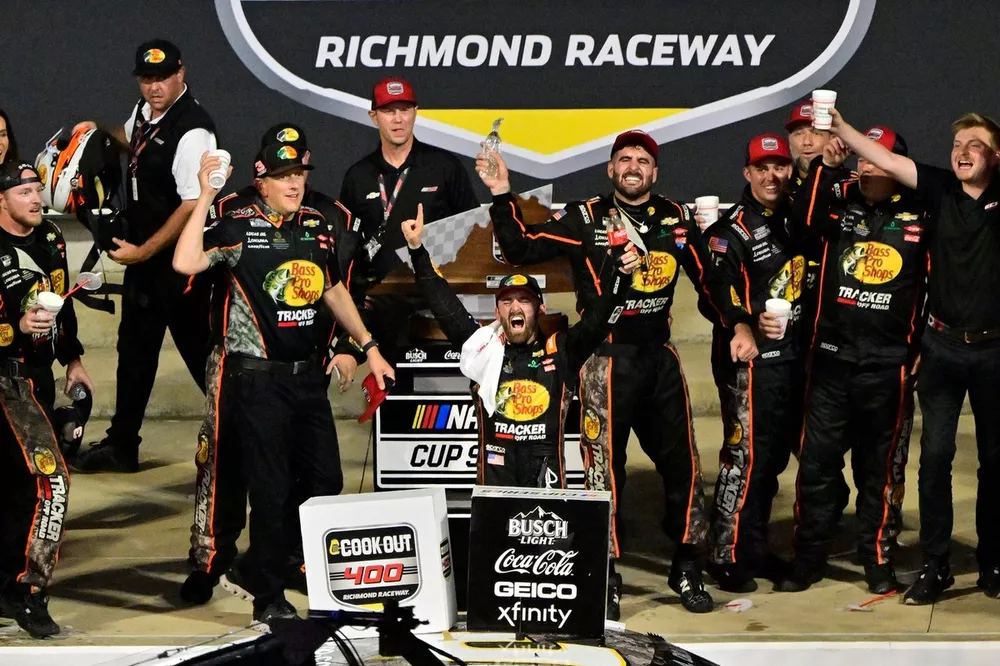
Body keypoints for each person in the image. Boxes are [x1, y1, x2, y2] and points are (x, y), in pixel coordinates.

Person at [480, 130, 758, 616]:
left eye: (643, 160)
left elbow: (710, 279)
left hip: (659, 358)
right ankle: (603, 572)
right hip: (605, 360)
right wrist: (503, 192)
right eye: (624, 159)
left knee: (685, 466)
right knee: (603, 473)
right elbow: (519, 248)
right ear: (610, 169)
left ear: (655, 172)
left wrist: (738, 321)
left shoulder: (676, 218)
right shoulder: (583, 218)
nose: (633, 166)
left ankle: (687, 565)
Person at [172, 146, 394, 627]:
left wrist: (369, 345)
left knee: (324, 480)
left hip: (306, 379)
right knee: (268, 490)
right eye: (282, 176)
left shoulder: (316, 225)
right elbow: (186, 262)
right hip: (255, 380)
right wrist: (206, 194)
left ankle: (259, 563)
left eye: (298, 174)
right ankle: (267, 593)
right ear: (261, 182)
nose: (294, 184)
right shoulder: (237, 226)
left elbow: (333, 289)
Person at [826, 108, 1000, 604]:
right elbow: (881, 157)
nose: (962, 152)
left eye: (975, 145)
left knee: (995, 462)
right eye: (957, 144)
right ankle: (937, 564)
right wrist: (839, 129)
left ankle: (993, 561)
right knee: (935, 460)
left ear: (995, 156)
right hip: (942, 348)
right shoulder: (940, 189)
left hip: (995, 351)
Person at [775, 127, 927, 594]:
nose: (865, 167)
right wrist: (825, 166)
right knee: (817, 466)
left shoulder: (924, 210)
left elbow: (940, 287)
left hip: (889, 366)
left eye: (874, 159)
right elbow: (797, 224)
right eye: (860, 159)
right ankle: (809, 557)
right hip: (831, 363)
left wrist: (921, 351)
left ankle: (877, 558)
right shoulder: (837, 197)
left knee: (880, 470)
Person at [403, 203, 639, 486]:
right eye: (507, 301)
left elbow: (601, 318)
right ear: (497, 313)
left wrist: (622, 277)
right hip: (495, 488)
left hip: (548, 492)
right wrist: (417, 249)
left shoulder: (563, 348)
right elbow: (443, 305)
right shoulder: (483, 348)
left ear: (540, 309)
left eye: (524, 300)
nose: (515, 306)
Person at [73, 38, 218, 473]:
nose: (154, 87)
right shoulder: (144, 113)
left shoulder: (193, 128)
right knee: (134, 351)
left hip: (181, 265)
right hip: (145, 261)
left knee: (204, 359)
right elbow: (132, 139)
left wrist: (143, 251)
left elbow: (192, 204)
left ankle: (245, 437)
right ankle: (122, 445)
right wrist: (95, 134)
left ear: (181, 73)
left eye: (163, 77)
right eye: (147, 78)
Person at [701, 134, 804, 593]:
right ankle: (723, 554)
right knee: (743, 460)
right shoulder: (732, 230)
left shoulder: (800, 217)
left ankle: (755, 548)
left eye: (779, 166)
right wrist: (741, 325)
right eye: (762, 167)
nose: (771, 175)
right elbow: (717, 286)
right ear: (747, 174)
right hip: (750, 364)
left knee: (771, 461)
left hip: (792, 360)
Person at [0, 161, 95, 637]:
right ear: (0, 200)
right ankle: (29, 592)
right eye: (25, 192)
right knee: (51, 485)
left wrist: (73, 359)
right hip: (4, 380)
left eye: (38, 188)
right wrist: (13, 329)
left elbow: (64, 301)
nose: (37, 198)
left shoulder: (51, 237)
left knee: (23, 490)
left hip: (36, 379)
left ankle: (10, 588)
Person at [338, 77, 480, 366]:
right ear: (373, 116)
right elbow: (347, 247)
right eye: (389, 111)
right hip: (383, 302)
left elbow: (474, 231)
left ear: (416, 111)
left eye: (405, 109)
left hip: (440, 295)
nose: (398, 119)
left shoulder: (444, 167)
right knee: (391, 397)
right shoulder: (358, 176)